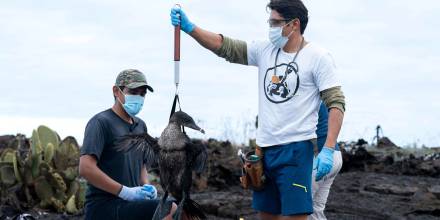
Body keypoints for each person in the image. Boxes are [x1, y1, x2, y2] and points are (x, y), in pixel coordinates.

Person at [170, 0, 345, 219]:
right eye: (270, 21)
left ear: (294, 24)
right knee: (266, 215)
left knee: (297, 215)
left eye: (276, 22)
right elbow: (226, 47)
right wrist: (191, 28)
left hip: (297, 151)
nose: (271, 27)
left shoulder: (318, 57)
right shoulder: (265, 49)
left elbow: (336, 102)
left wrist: (328, 149)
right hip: (265, 151)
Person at [79, 69, 177, 220]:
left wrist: (146, 186)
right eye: (133, 91)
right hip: (103, 207)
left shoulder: (140, 126)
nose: (138, 97)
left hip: (128, 205)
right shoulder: (100, 122)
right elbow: (86, 168)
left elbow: (141, 165)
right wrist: (125, 192)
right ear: (116, 91)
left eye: (142, 93)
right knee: (170, 208)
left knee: (184, 208)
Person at [310, 103, 343, 220]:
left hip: (318, 157)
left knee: (299, 209)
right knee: (316, 210)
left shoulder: (305, 96)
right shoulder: (323, 96)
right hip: (334, 154)